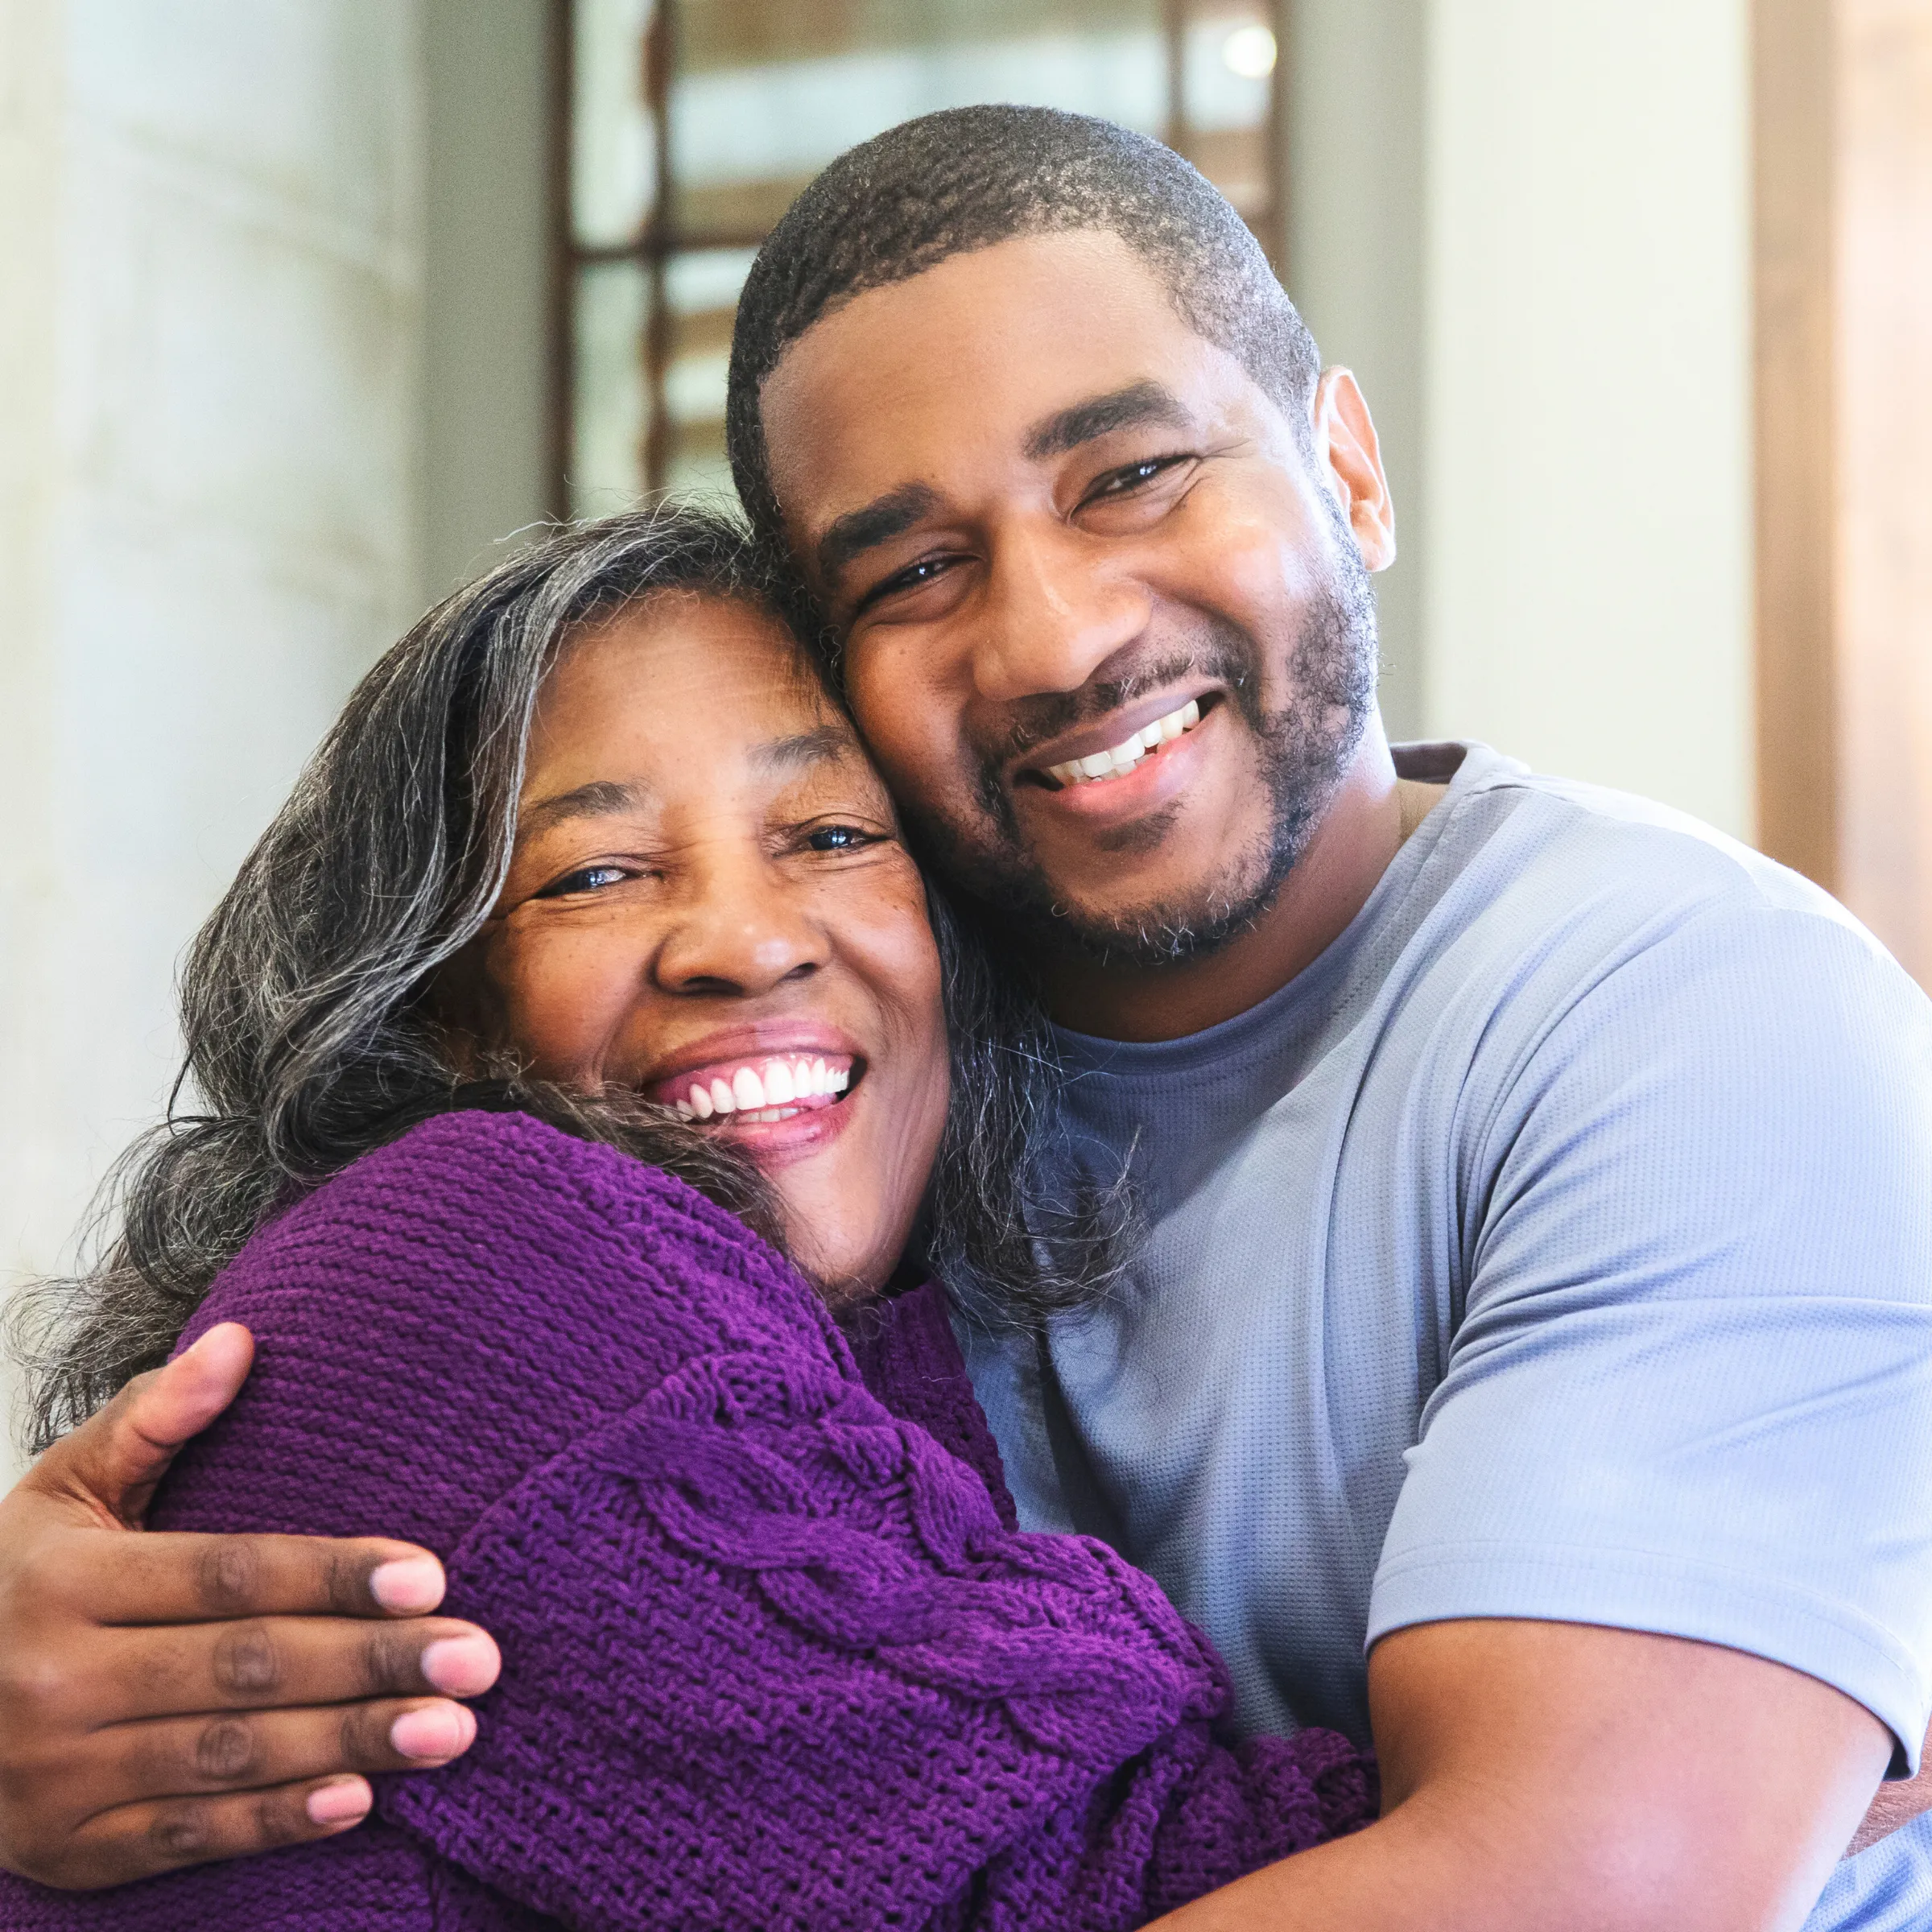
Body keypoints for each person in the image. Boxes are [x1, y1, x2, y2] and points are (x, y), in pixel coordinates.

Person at [5, 105, 1932, 1929]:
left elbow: (1592, 1889)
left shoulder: (1682, 1026)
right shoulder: (823, 1098)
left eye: (1137, 474)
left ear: (1348, 465)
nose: (1054, 637)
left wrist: (1680, 1787)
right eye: (917, 568)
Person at [0, 505, 1373, 1928]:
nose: (746, 939)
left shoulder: (866, 1345)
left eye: (834, 835)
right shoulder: (489, 1261)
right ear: (443, 1014)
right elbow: (1133, 1880)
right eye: (595, 874)